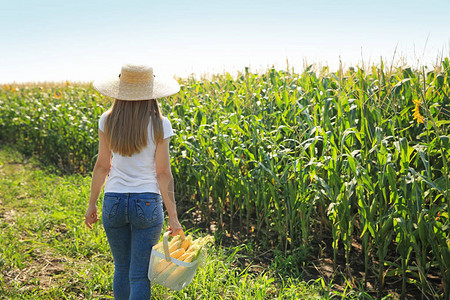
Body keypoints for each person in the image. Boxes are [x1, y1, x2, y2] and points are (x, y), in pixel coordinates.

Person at [84, 63, 183, 299]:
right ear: (152, 93)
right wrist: (173, 216)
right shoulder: (161, 124)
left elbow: (102, 165)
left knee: (121, 267)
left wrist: (92, 204)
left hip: (114, 200)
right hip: (147, 202)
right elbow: (163, 173)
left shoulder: (107, 120)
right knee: (139, 274)